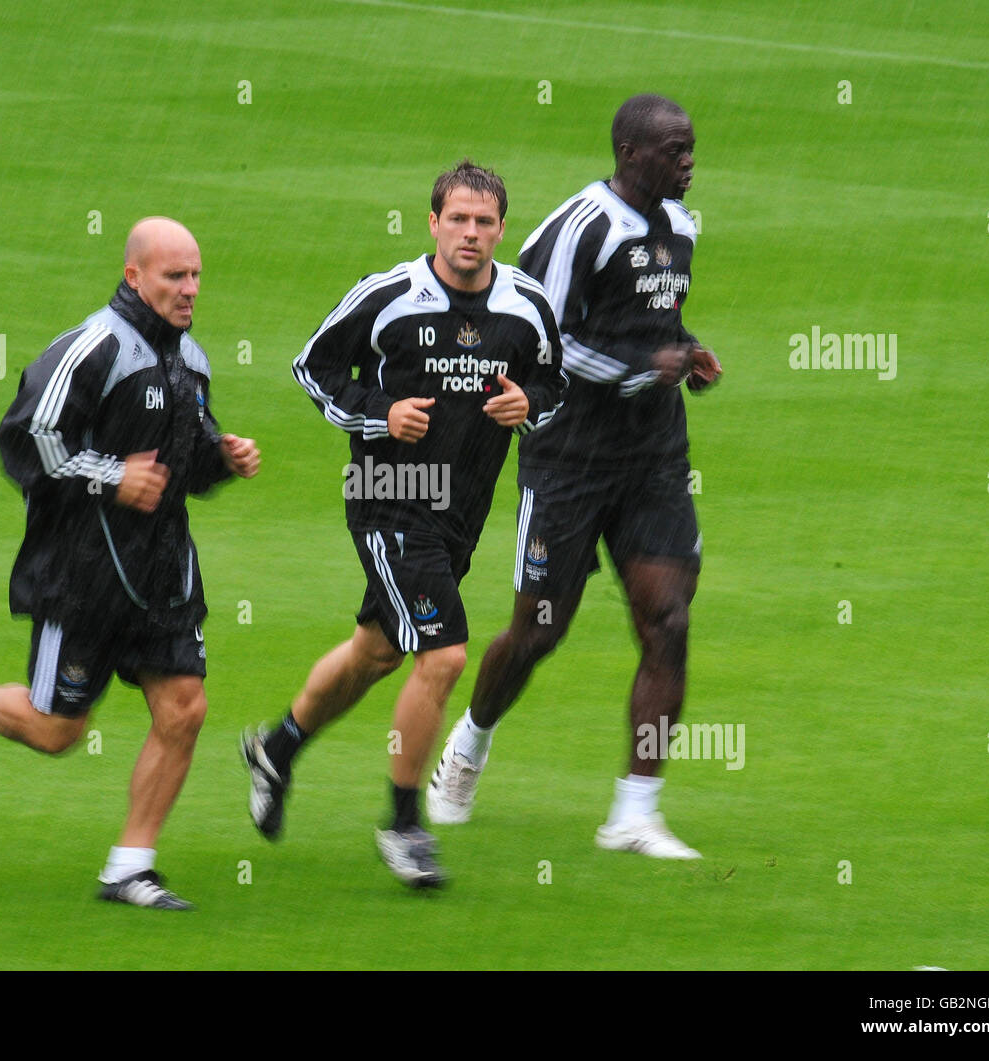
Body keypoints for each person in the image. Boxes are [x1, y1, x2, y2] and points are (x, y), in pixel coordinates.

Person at [0, 217, 259, 909]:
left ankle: (129, 866)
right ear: (134, 275)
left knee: (184, 708)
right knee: (57, 730)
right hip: (83, 574)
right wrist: (109, 476)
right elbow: (25, 441)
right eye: (173, 276)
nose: (189, 289)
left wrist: (221, 458)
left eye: (195, 276)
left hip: (163, 574)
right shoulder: (92, 348)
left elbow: (179, 464)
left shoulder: (193, 361)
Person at [241, 161, 565, 888]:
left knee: (377, 650)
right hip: (389, 491)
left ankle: (277, 749)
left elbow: (554, 381)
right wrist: (377, 413)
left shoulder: (528, 305)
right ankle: (404, 822)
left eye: (484, 222)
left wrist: (530, 407)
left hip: (462, 510)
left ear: (502, 229)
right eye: (458, 219)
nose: (471, 234)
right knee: (444, 654)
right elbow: (313, 367)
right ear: (433, 223)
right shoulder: (391, 297)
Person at [425, 95, 722, 859]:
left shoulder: (682, 226)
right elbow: (533, 344)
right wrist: (636, 370)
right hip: (568, 459)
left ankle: (635, 811)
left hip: (654, 458)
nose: (689, 161)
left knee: (669, 621)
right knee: (539, 631)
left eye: (691, 149)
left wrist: (685, 353)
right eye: (675, 150)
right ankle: (469, 743)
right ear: (629, 152)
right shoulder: (577, 228)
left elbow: (654, 324)